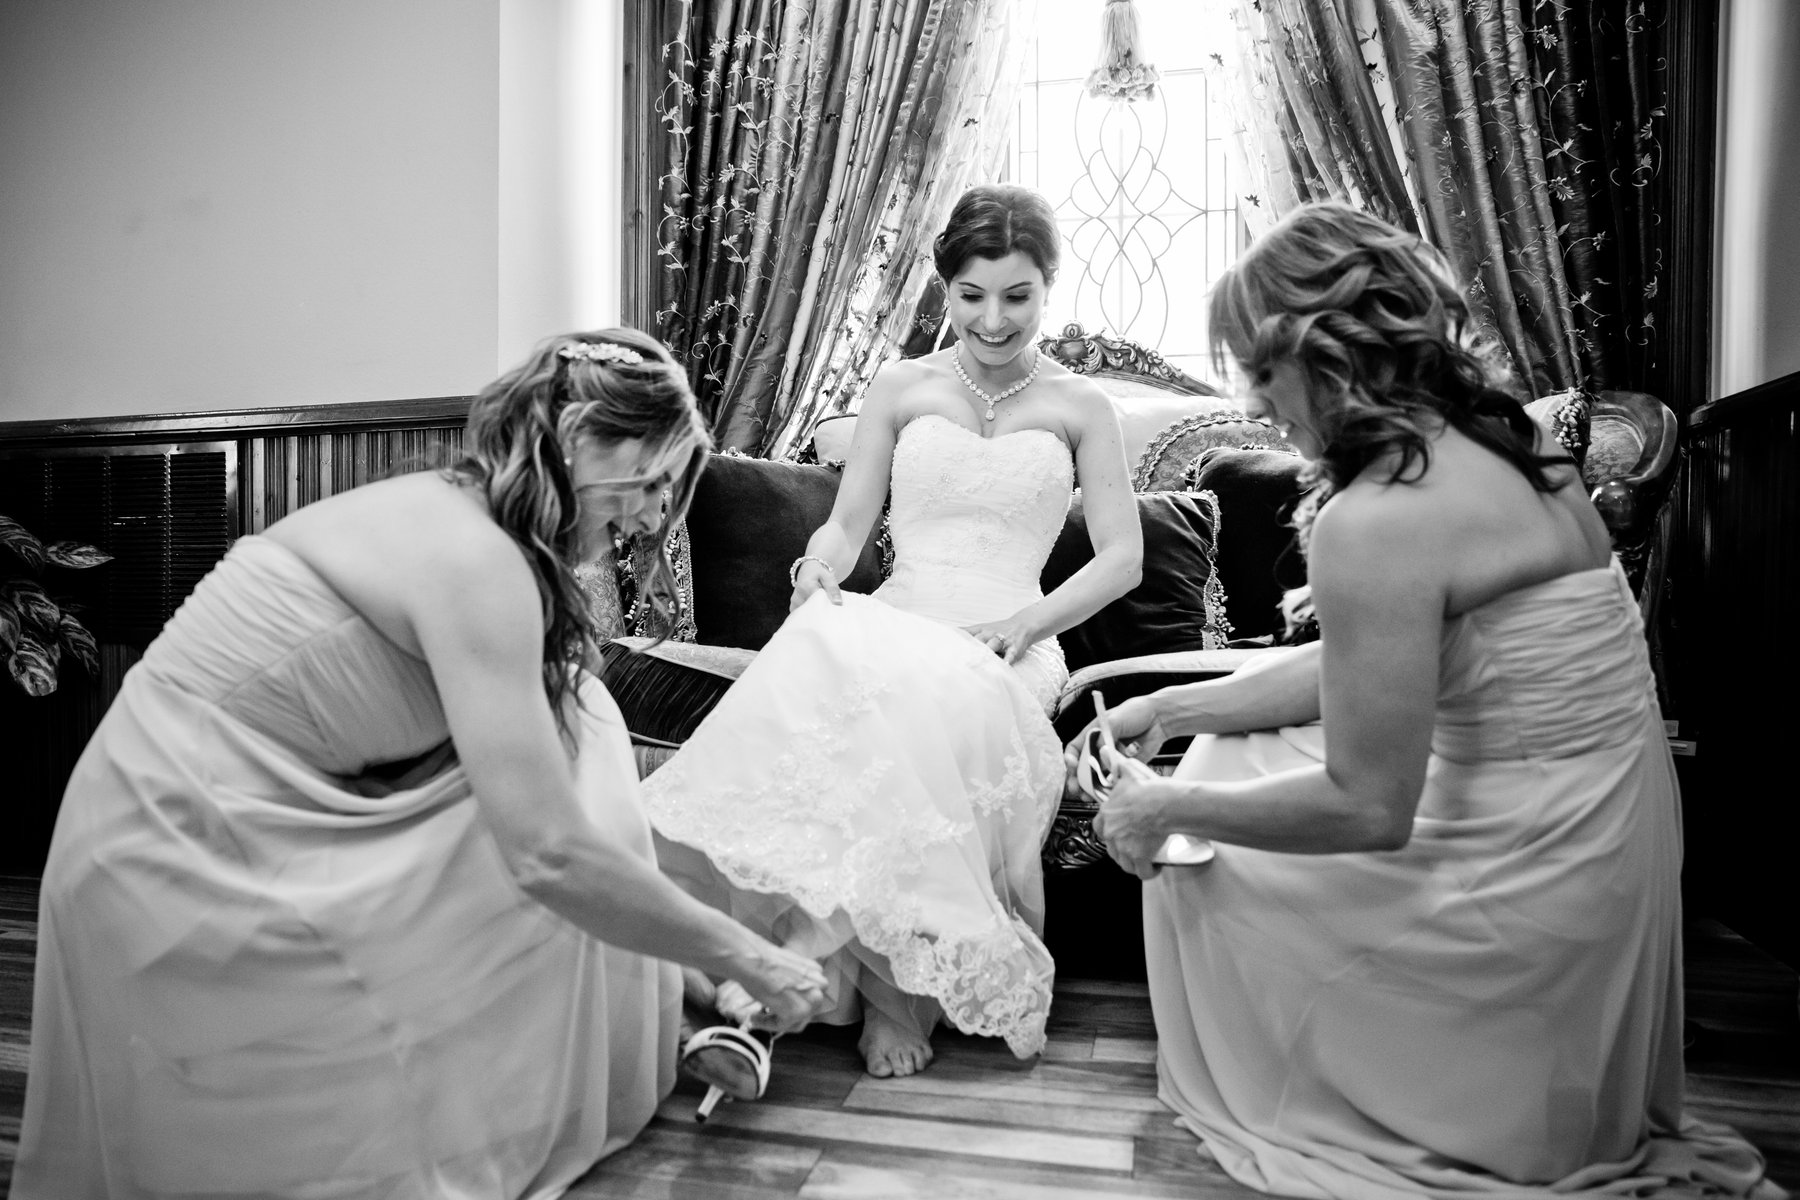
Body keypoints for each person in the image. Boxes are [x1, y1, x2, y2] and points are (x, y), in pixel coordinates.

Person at [13, 330, 828, 1199]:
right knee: (567, 763)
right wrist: (754, 957)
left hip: (270, 803)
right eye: (655, 480)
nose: (657, 515)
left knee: (578, 716)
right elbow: (551, 853)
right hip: (175, 838)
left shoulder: (476, 521)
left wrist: (687, 968)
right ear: (580, 437)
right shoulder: (479, 559)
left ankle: (655, 1011)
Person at [1077, 203, 1779, 1198]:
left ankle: (1360, 1089)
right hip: (1617, 826)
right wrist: (1168, 710)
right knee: (1229, 748)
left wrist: (1162, 808)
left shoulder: (1377, 521)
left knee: (1205, 853)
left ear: (1331, 355)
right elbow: (1373, 669)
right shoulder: (1515, 438)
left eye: (1260, 368)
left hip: (1534, 870)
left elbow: (1369, 806)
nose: (1254, 402)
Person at [642, 183, 1143, 1082]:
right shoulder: (901, 387)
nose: (994, 319)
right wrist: (817, 568)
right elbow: (846, 522)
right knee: (828, 659)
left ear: (1049, 285)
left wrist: (1025, 623)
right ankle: (792, 971)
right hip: (904, 614)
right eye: (972, 295)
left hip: (1013, 638)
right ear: (945, 289)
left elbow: (1122, 559)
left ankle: (867, 989)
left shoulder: (1082, 407)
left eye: (1018, 296)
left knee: (940, 705)